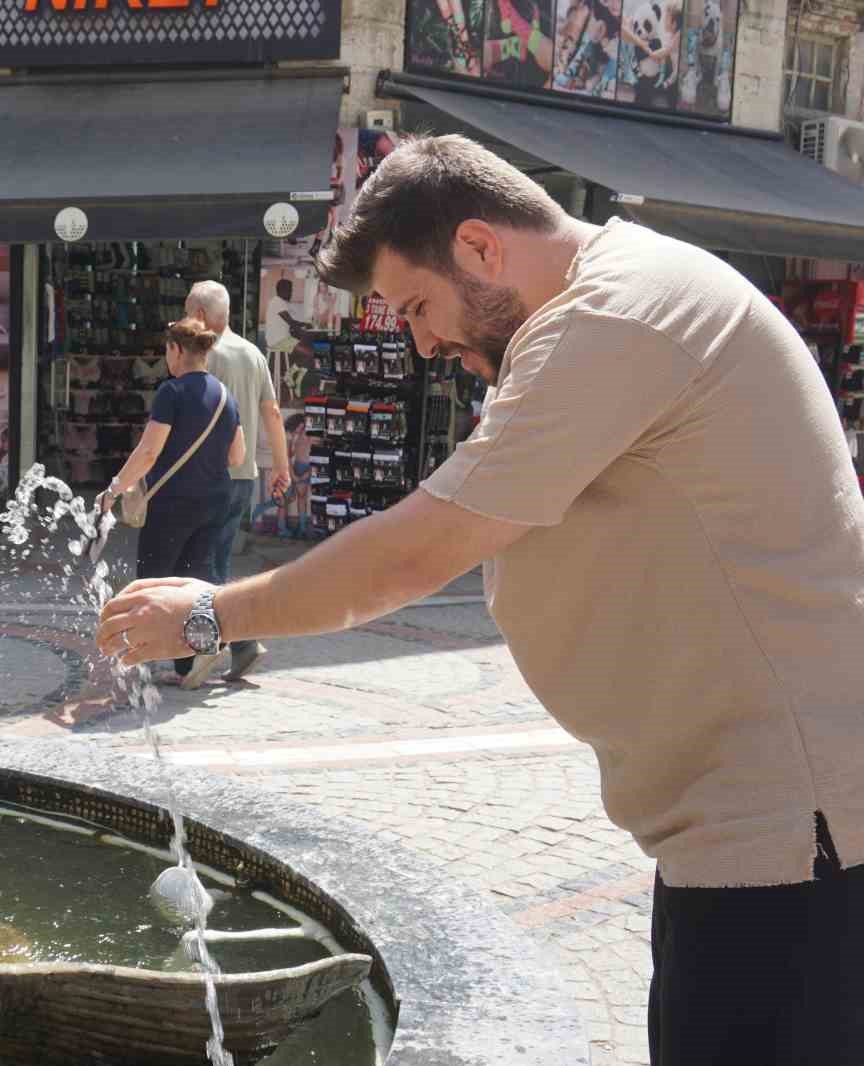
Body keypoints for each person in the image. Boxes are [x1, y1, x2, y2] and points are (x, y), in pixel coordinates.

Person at [97, 134, 864, 1066]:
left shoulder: (616, 315)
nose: (419, 340)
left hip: (791, 833)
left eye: (417, 306)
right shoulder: (596, 307)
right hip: (745, 827)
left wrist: (210, 615)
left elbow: (419, 550)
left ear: (480, 246)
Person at [98, 317, 244, 690]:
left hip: (173, 502)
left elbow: (149, 451)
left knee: (150, 580)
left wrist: (114, 489)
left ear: (177, 350)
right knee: (195, 582)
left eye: (167, 349)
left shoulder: (172, 392)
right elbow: (238, 456)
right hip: (215, 500)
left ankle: (133, 660)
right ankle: (189, 662)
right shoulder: (226, 396)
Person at [184, 280, 289, 680]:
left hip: (208, 475)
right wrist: (282, 467)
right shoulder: (252, 353)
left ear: (199, 315)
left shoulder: (203, 354)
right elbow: (273, 413)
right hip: (243, 476)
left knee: (203, 562)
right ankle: (242, 644)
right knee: (217, 558)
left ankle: (212, 644)